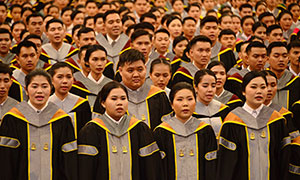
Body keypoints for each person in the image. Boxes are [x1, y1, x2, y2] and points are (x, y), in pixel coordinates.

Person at [0, 69, 77, 179]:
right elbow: (6, 161)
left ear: (51, 89)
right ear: (26, 90)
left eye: (44, 86)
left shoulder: (62, 120)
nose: (39, 91)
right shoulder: (12, 119)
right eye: (34, 86)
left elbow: (69, 162)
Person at [78, 81, 161, 179]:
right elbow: (86, 170)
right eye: (114, 99)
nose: (119, 103)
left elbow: (150, 168)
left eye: (123, 98)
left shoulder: (139, 129)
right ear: (103, 103)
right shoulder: (91, 130)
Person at [216, 71, 290, 180]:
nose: (259, 91)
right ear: (243, 91)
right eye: (254, 87)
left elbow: (283, 158)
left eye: (263, 87)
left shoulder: (276, 120)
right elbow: (226, 164)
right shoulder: (233, 121)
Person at [154, 82, 217, 180]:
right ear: (171, 104)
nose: (185, 104)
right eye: (179, 100)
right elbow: (159, 169)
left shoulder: (205, 130)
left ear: (195, 102)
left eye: (190, 99)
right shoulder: (162, 132)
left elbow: (211, 167)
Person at [115, 49, 172, 130]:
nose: (136, 75)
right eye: (130, 70)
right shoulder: (111, 96)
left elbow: (167, 127)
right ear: (120, 71)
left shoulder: (158, 95)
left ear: (145, 68)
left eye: (140, 70)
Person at [48, 62, 91, 138]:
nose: (65, 81)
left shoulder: (82, 104)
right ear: (51, 80)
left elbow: (86, 134)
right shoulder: (46, 104)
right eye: (60, 77)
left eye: (68, 77)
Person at [193, 69, 230, 136]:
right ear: (195, 87)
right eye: (205, 86)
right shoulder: (190, 112)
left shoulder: (224, 110)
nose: (210, 90)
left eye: (213, 86)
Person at [267, 41, 300, 109]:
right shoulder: (260, 81)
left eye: (284, 56)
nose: (281, 59)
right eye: (276, 56)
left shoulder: (296, 82)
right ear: (267, 59)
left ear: (288, 58)